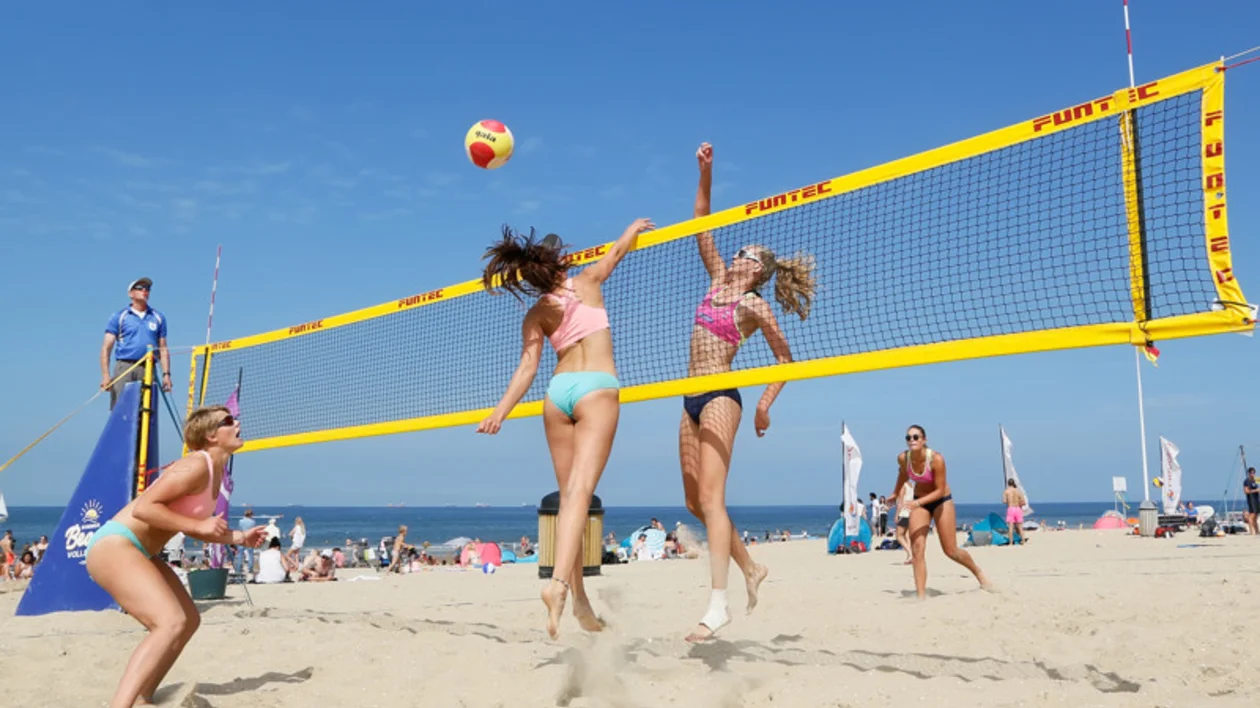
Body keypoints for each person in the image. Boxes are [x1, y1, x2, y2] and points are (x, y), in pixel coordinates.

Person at [477, 217, 654, 639]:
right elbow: (616, 253)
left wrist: (500, 411)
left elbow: (527, 367)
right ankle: (557, 587)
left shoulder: (537, 313)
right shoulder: (587, 282)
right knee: (578, 495)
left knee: (569, 501)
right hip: (596, 387)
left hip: (557, 394)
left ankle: (579, 601)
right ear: (560, 263)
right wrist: (630, 228)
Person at [679, 143, 814, 642]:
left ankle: (717, 606)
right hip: (688, 399)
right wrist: (706, 171)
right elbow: (700, 222)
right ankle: (752, 568)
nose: (736, 255)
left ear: (758, 269)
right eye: (737, 251)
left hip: (720, 397)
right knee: (695, 502)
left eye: (746, 254)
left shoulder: (756, 304)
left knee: (714, 499)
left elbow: (785, 360)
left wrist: (763, 403)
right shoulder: (716, 277)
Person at [83, 406, 268, 708]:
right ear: (211, 435)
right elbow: (145, 508)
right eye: (228, 421)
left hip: (141, 550)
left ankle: (143, 697)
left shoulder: (215, 471)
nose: (237, 423)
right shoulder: (196, 464)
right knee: (169, 622)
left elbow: (193, 524)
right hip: (115, 545)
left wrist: (239, 538)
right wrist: (199, 525)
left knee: (188, 620)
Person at [889, 425, 992, 599]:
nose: (912, 440)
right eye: (908, 437)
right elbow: (903, 475)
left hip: (940, 500)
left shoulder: (936, 459)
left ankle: (978, 573)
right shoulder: (903, 458)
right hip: (919, 503)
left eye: (916, 437)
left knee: (950, 550)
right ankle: (920, 595)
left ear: (924, 440)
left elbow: (939, 489)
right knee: (917, 547)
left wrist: (916, 502)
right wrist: (894, 493)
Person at [101, 277, 172, 409]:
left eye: (147, 289)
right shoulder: (120, 316)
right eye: (140, 288)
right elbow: (106, 347)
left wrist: (166, 374)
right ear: (131, 294)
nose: (144, 291)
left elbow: (163, 348)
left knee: (146, 410)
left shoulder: (157, 317)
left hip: (148, 368)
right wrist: (106, 375)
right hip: (125, 366)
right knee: (121, 408)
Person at [894, 479, 914, 564]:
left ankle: (910, 554)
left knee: (899, 536)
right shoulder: (911, 485)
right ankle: (909, 557)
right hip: (910, 513)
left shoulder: (903, 485)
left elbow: (900, 503)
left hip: (904, 513)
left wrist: (896, 515)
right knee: (906, 535)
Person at [1003, 480, 1027, 546]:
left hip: (1011, 508)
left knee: (1010, 527)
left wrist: (1008, 501)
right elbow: (1023, 502)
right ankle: (1023, 541)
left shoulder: (1006, 491)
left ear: (1008, 484)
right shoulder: (1018, 491)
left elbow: (1004, 501)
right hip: (1018, 509)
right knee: (1020, 527)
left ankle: (1011, 542)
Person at [1244, 467, 1259, 535]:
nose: (1253, 474)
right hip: (1251, 499)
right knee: (1252, 515)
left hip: (1257, 499)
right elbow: (1246, 491)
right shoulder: (1247, 481)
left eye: (1254, 473)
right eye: (1251, 473)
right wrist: (1255, 491)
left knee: (1256, 515)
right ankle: (1251, 531)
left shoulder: (1256, 480)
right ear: (1249, 473)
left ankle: (1257, 530)